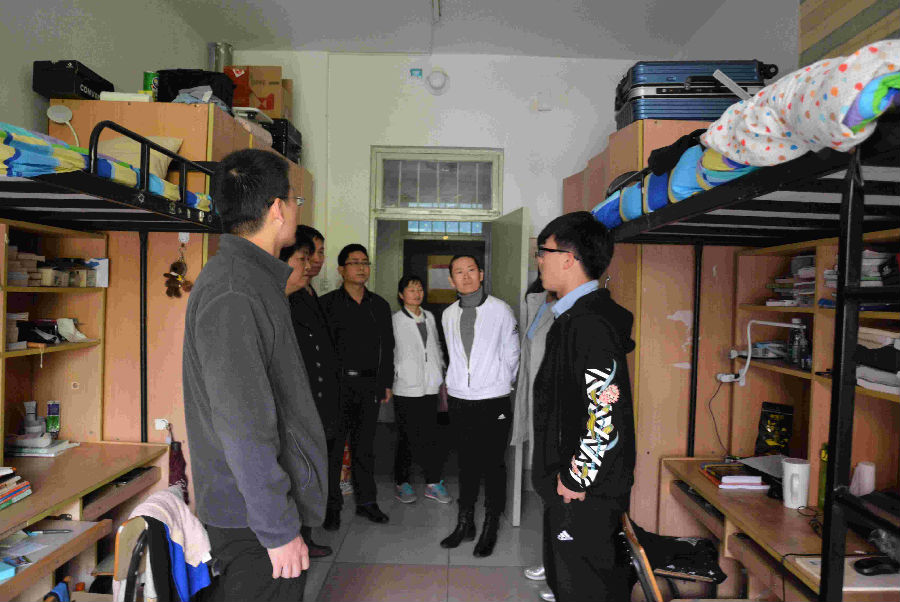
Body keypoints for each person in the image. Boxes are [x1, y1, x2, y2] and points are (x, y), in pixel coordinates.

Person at [183, 149, 327, 601]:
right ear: (277, 208)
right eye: (295, 201)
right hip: (252, 520)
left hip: (260, 511)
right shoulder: (235, 290)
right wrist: (277, 527)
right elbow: (242, 424)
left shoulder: (253, 278)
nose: (296, 210)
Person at [531, 211, 636, 602]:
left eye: (543, 251)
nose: (538, 260)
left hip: (583, 493)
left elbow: (604, 408)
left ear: (568, 258)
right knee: (570, 582)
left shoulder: (589, 324)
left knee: (585, 588)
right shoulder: (574, 317)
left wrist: (578, 477)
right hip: (571, 487)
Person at [439, 255, 519, 557]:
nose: (466, 276)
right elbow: (453, 355)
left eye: (471, 270)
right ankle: (465, 521)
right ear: (451, 280)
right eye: (459, 272)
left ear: (481, 274)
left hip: (493, 399)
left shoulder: (500, 310)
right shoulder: (448, 314)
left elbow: (512, 354)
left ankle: (490, 525)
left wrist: (498, 381)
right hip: (461, 399)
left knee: (493, 464)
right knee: (466, 463)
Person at [320, 244, 394, 526]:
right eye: (354, 263)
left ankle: (367, 502)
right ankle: (332, 507)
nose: (362, 268)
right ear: (341, 269)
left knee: (365, 448)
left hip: (369, 385)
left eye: (365, 262)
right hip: (337, 387)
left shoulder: (379, 305)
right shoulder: (327, 305)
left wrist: (385, 382)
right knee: (334, 448)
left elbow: (388, 347)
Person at [280, 228, 341, 558]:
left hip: (319, 399)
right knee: (300, 472)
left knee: (313, 469)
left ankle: (306, 534)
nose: (313, 262)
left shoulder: (307, 292)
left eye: (316, 254)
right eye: (305, 257)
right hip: (299, 403)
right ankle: (298, 539)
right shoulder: (281, 298)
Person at [511, 278, 558, 600]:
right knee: (547, 494)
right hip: (537, 405)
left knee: (561, 496)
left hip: (556, 411)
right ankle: (552, 561)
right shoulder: (538, 303)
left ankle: (561, 574)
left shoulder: (571, 310)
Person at [391, 274, 452, 505]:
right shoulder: (395, 320)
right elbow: (391, 352)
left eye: (419, 289)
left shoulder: (430, 317)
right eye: (411, 289)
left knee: (432, 435)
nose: (417, 293)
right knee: (406, 436)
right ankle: (402, 482)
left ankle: (433, 482)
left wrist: (441, 368)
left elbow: (435, 345)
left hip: (431, 384)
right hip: (406, 386)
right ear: (401, 295)